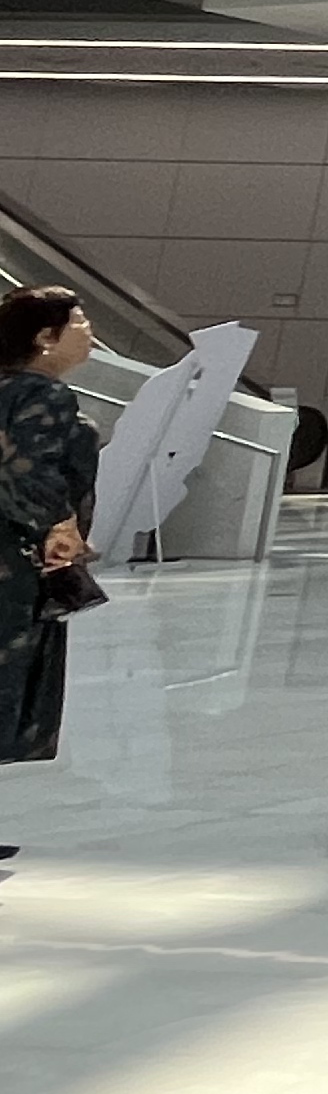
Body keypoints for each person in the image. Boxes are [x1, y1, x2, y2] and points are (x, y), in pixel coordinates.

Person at [0, 284, 100, 842]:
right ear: (46, 337)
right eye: (80, 325)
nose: (90, 336)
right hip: (11, 567)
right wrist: (60, 530)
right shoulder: (44, 396)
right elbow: (22, 473)